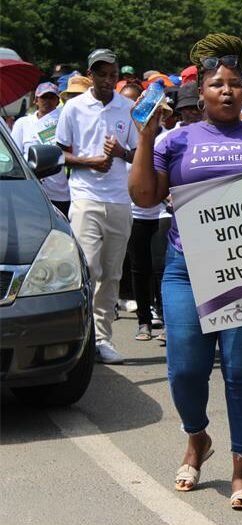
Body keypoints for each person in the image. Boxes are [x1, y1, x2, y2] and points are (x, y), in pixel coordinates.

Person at [129, 33, 242, 511]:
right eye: (217, 85)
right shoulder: (176, 139)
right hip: (186, 269)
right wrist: (146, 138)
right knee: (185, 369)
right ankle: (197, 438)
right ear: (201, 94)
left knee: (239, 374)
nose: (227, 91)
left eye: (235, 85)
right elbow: (144, 198)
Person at [55, 48, 138, 364]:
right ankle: (82, 336)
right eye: (101, 73)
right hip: (86, 199)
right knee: (88, 269)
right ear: (90, 74)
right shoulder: (73, 108)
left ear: (118, 76)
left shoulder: (128, 108)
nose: (107, 80)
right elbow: (60, 153)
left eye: (112, 75)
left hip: (119, 200)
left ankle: (102, 339)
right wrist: (89, 161)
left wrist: (120, 152)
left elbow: (138, 154)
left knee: (112, 275)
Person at [118, 82, 166, 342]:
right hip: (134, 212)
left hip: (161, 214)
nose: (135, 106)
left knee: (160, 266)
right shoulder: (123, 131)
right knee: (139, 267)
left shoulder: (168, 135)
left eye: (140, 101)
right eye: (130, 103)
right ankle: (144, 321)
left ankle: (163, 316)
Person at [10, 82, 71, 216]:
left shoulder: (64, 122)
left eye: (52, 97)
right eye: (44, 97)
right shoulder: (23, 123)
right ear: (36, 100)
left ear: (57, 101)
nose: (47, 101)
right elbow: (15, 155)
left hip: (59, 191)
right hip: (30, 189)